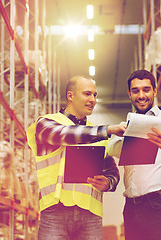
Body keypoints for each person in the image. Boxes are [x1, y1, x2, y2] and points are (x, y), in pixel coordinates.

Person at [27, 75, 126, 240]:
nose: (93, 99)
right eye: (87, 94)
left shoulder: (96, 131)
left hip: (90, 215)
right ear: (70, 96)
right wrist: (108, 129)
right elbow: (65, 134)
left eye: (95, 95)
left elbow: (113, 172)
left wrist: (108, 182)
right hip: (54, 212)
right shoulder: (46, 123)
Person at [107, 69, 161, 240]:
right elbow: (111, 149)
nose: (141, 95)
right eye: (135, 90)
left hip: (159, 206)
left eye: (146, 89)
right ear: (129, 94)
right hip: (131, 207)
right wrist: (125, 136)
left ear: (154, 91)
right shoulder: (126, 125)